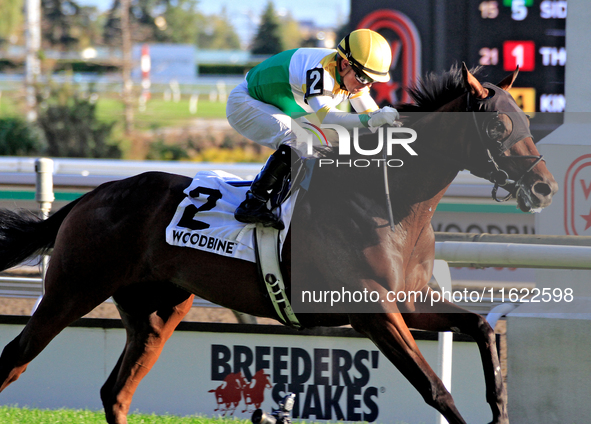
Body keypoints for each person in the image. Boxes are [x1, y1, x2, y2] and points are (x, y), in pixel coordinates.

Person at [226, 28, 400, 229]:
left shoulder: (351, 77)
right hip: (245, 101)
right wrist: (371, 120)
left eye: (372, 81)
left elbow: (373, 115)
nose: (365, 86)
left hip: (279, 106)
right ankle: (252, 203)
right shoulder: (320, 71)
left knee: (324, 143)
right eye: (363, 78)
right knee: (299, 139)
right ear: (344, 64)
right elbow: (328, 117)